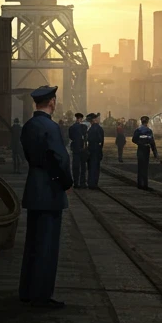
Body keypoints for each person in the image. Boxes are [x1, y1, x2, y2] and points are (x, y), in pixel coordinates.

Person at [18, 84, 72, 309]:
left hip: (34, 187)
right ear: (51, 102)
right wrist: (66, 182)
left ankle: (27, 291)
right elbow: (59, 158)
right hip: (50, 190)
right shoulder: (51, 127)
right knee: (47, 246)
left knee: (32, 243)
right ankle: (41, 296)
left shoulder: (28, 126)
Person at [132, 116, 158, 190]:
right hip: (146, 149)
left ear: (141, 121)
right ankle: (145, 185)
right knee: (145, 168)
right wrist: (155, 153)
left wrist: (139, 143)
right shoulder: (149, 131)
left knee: (140, 167)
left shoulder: (138, 130)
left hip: (140, 149)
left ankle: (140, 184)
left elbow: (133, 140)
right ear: (147, 122)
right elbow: (152, 142)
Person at [67, 113, 88, 189]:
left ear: (76, 118)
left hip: (76, 148)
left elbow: (71, 137)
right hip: (82, 149)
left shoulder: (72, 128)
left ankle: (76, 183)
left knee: (75, 166)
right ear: (81, 119)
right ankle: (83, 183)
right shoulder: (84, 127)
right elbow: (86, 137)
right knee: (83, 167)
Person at [85, 112, 105, 190]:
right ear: (94, 120)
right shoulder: (99, 128)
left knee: (90, 168)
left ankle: (90, 183)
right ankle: (94, 184)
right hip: (96, 150)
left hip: (90, 150)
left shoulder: (90, 129)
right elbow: (101, 141)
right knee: (95, 168)